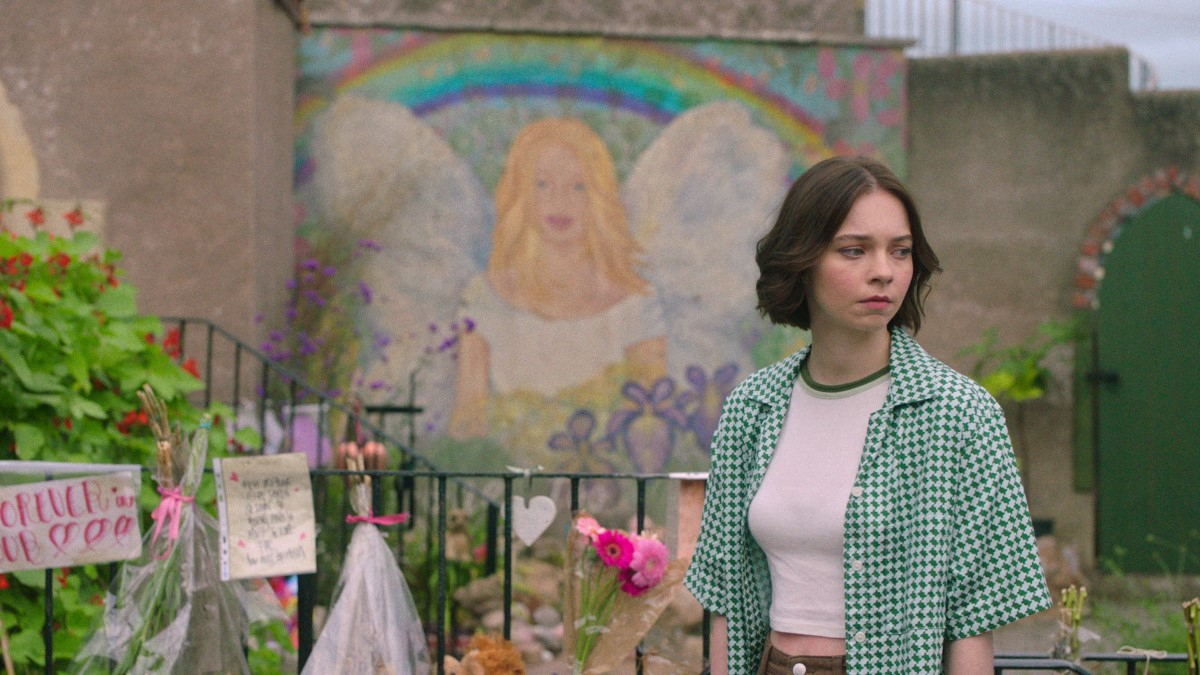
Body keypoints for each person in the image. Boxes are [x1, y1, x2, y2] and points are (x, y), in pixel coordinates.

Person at [684, 156, 1050, 674]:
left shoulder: (959, 414)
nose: (884, 271)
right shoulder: (751, 408)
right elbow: (725, 592)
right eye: (854, 250)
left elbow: (974, 617)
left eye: (900, 251)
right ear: (802, 260)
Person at [449, 117, 667, 439]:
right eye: (542, 185)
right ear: (521, 192)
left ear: (598, 196)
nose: (559, 202)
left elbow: (652, 421)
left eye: (578, 186)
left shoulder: (635, 304)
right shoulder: (485, 296)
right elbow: (468, 418)